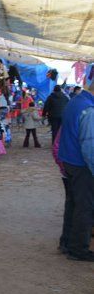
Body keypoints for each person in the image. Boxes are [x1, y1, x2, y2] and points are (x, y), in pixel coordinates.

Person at [58, 81, 94, 261]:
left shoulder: (74, 101)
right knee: (85, 207)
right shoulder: (89, 109)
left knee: (73, 204)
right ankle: (78, 249)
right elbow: (89, 145)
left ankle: (66, 243)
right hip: (81, 164)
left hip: (69, 160)